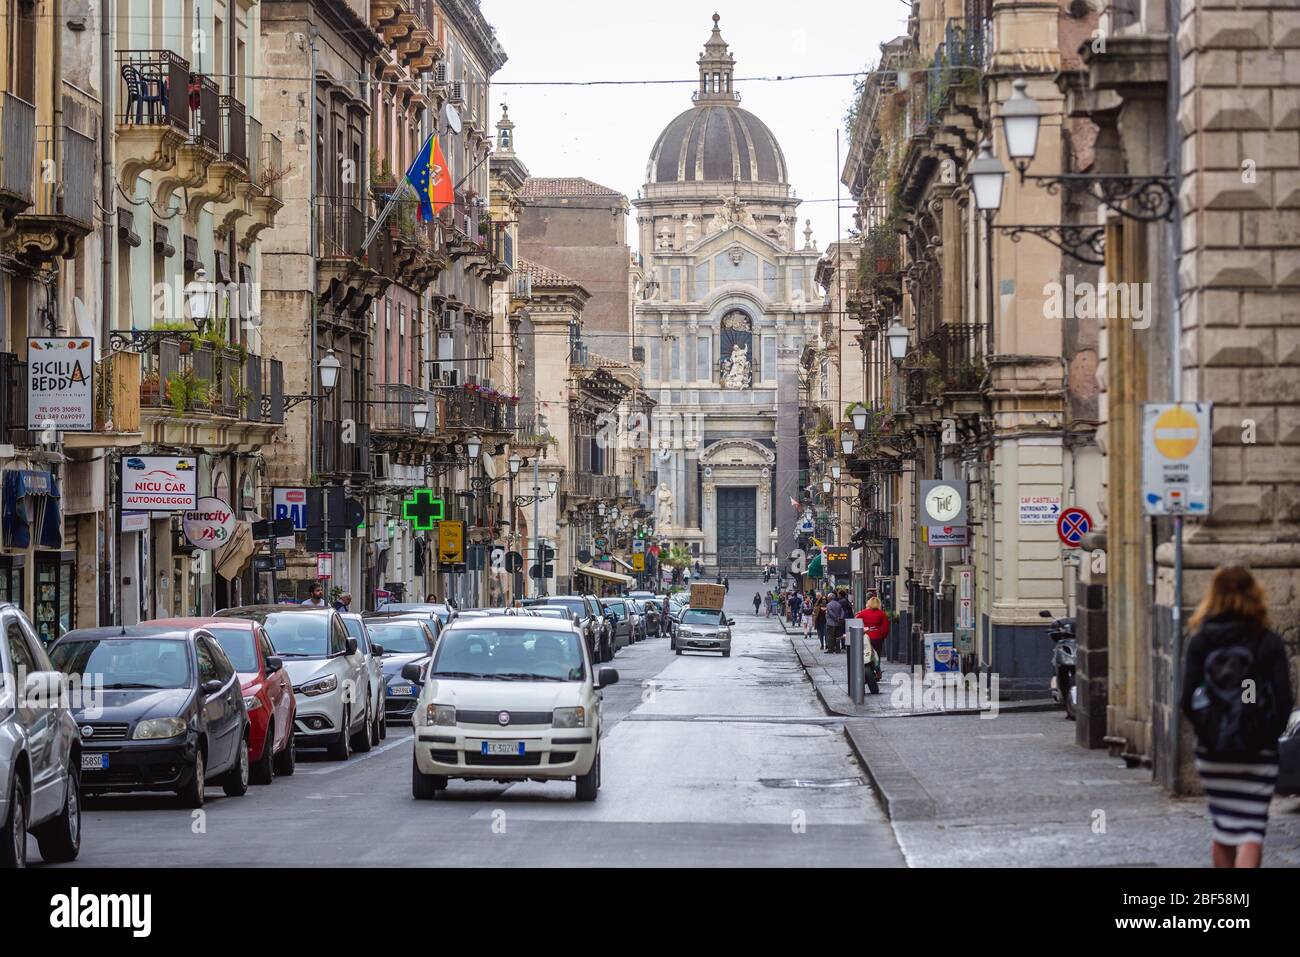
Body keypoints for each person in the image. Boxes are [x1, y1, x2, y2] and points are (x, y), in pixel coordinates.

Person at [1180, 566, 1293, 868]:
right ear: (1255, 594)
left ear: (1213, 596)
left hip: (1213, 751)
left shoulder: (1201, 640)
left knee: (1224, 829)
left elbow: (1187, 699)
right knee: (1250, 831)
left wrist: (1208, 733)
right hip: (1258, 749)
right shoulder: (1267, 641)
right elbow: (1284, 701)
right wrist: (1267, 737)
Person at [855, 596, 890, 687]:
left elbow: (855, 623)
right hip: (877, 638)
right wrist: (882, 636)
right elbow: (885, 628)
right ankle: (877, 671)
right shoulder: (881, 614)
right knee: (876, 655)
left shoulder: (862, 613)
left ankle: (863, 671)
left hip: (865, 637)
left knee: (864, 654)